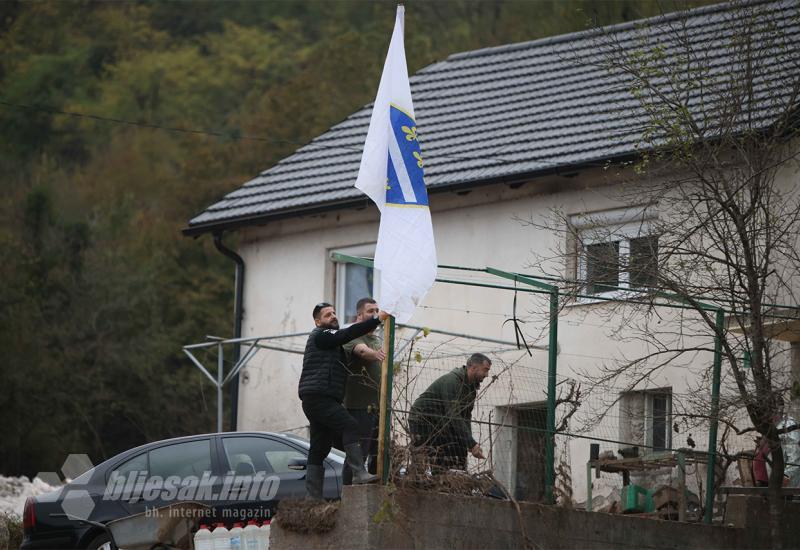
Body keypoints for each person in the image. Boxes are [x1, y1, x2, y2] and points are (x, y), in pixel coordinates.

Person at [299, 302, 388, 499]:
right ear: (317, 321)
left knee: (319, 447)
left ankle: (312, 498)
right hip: (320, 397)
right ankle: (358, 473)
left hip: (315, 399)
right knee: (350, 425)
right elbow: (347, 334)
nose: (333, 316)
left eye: (334, 313)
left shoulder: (330, 342)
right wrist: (377, 318)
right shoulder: (321, 335)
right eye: (327, 315)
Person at [408, 353, 492, 472]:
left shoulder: (471, 388)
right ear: (473, 367)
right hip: (422, 419)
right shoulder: (452, 381)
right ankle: (417, 484)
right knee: (423, 459)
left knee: (450, 458)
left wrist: (468, 442)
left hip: (440, 421)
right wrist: (471, 444)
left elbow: (465, 416)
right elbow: (453, 415)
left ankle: (443, 484)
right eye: (485, 370)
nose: (487, 375)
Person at [341, 297, 385, 485]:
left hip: (377, 406)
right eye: (370, 311)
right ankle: (348, 493)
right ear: (359, 315)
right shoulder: (350, 335)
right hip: (358, 406)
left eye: (377, 311)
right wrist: (375, 354)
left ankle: (371, 492)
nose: (375, 315)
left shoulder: (376, 338)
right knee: (358, 453)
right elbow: (361, 351)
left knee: (377, 452)